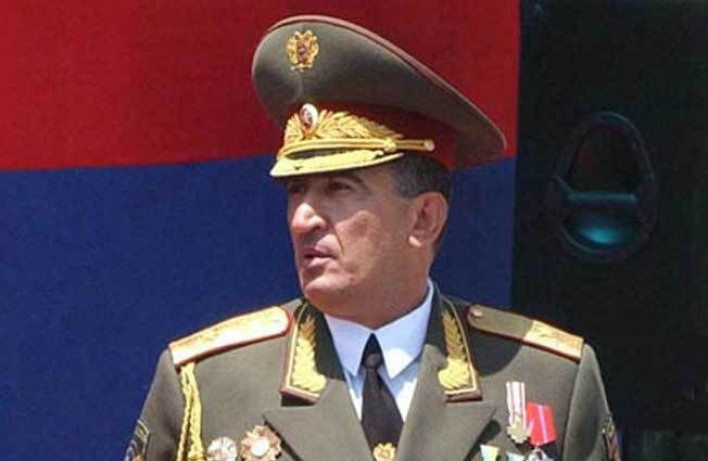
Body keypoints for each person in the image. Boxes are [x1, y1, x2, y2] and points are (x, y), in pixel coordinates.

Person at [125, 15, 619, 461]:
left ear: (424, 218)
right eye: (296, 190)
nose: (303, 218)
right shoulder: (208, 386)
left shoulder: (548, 379)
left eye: (339, 188)